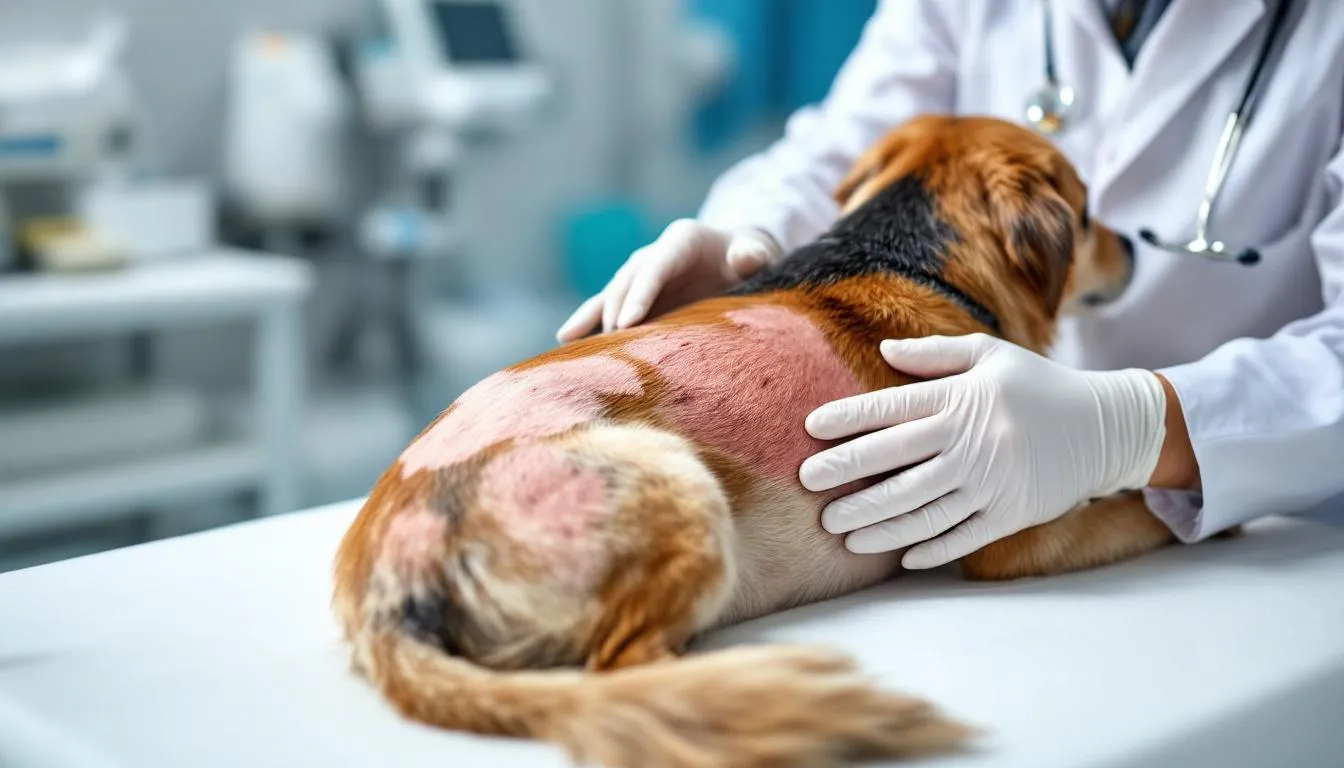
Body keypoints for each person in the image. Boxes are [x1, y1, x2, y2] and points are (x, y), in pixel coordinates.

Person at [556, 0, 1344, 569]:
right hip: (991, 480)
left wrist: (1132, 428)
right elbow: (845, 150)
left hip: (1289, 537)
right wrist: (747, 239)